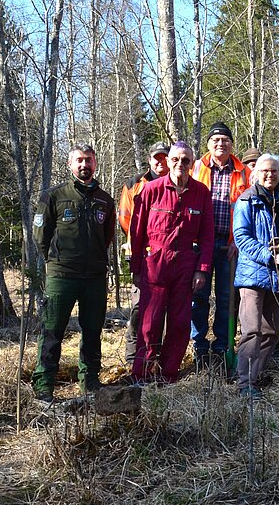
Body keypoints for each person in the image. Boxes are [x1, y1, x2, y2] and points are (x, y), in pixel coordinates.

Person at [31, 144, 116, 402]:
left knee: (92, 331)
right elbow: (40, 235)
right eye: (79, 160)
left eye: (88, 160)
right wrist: (55, 260)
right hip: (61, 276)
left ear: (95, 163)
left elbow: (108, 236)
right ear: (70, 164)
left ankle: (89, 381)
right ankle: (44, 384)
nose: (84, 165)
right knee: (52, 330)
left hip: (94, 278)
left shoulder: (105, 200)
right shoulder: (54, 196)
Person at [131, 142, 214, 383]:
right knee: (150, 322)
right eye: (176, 159)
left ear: (192, 163)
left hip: (187, 264)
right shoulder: (151, 190)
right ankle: (142, 374)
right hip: (155, 262)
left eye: (186, 160)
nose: (180, 164)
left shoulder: (201, 192)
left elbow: (207, 236)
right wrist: (136, 268)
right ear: (168, 161)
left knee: (179, 323)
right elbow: (136, 233)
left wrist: (202, 269)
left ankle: (168, 374)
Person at [190, 121, 251, 372]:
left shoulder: (245, 172)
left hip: (230, 245)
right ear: (208, 145)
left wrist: (239, 240)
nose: (220, 144)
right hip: (200, 244)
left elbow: (249, 209)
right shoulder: (196, 168)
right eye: (215, 140)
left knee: (227, 299)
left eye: (225, 140)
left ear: (231, 144)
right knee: (199, 296)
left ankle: (223, 346)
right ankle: (199, 346)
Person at [233, 155, 279, 399]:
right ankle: (243, 383)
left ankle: (255, 378)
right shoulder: (246, 201)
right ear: (256, 173)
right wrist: (269, 255)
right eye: (265, 171)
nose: (270, 175)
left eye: (274, 171)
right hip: (252, 275)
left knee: (271, 332)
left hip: (278, 276)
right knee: (252, 330)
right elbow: (242, 237)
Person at [117, 141, 169, 364]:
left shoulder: (180, 182)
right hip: (142, 255)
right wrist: (140, 239)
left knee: (165, 308)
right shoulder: (134, 184)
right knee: (140, 306)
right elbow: (125, 218)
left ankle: (156, 354)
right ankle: (133, 357)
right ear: (150, 160)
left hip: (168, 256)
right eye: (156, 157)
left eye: (165, 157)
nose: (160, 162)